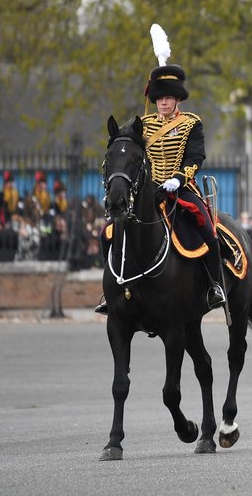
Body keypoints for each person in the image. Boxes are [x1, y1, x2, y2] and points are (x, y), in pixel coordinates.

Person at [95, 63, 225, 314]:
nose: (163, 103)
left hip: (180, 188)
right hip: (148, 191)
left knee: (207, 229)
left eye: (168, 98)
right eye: (159, 98)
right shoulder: (142, 125)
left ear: (177, 99)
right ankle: (110, 289)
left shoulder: (190, 123)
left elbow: (195, 157)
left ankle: (214, 285)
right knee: (107, 232)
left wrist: (178, 178)